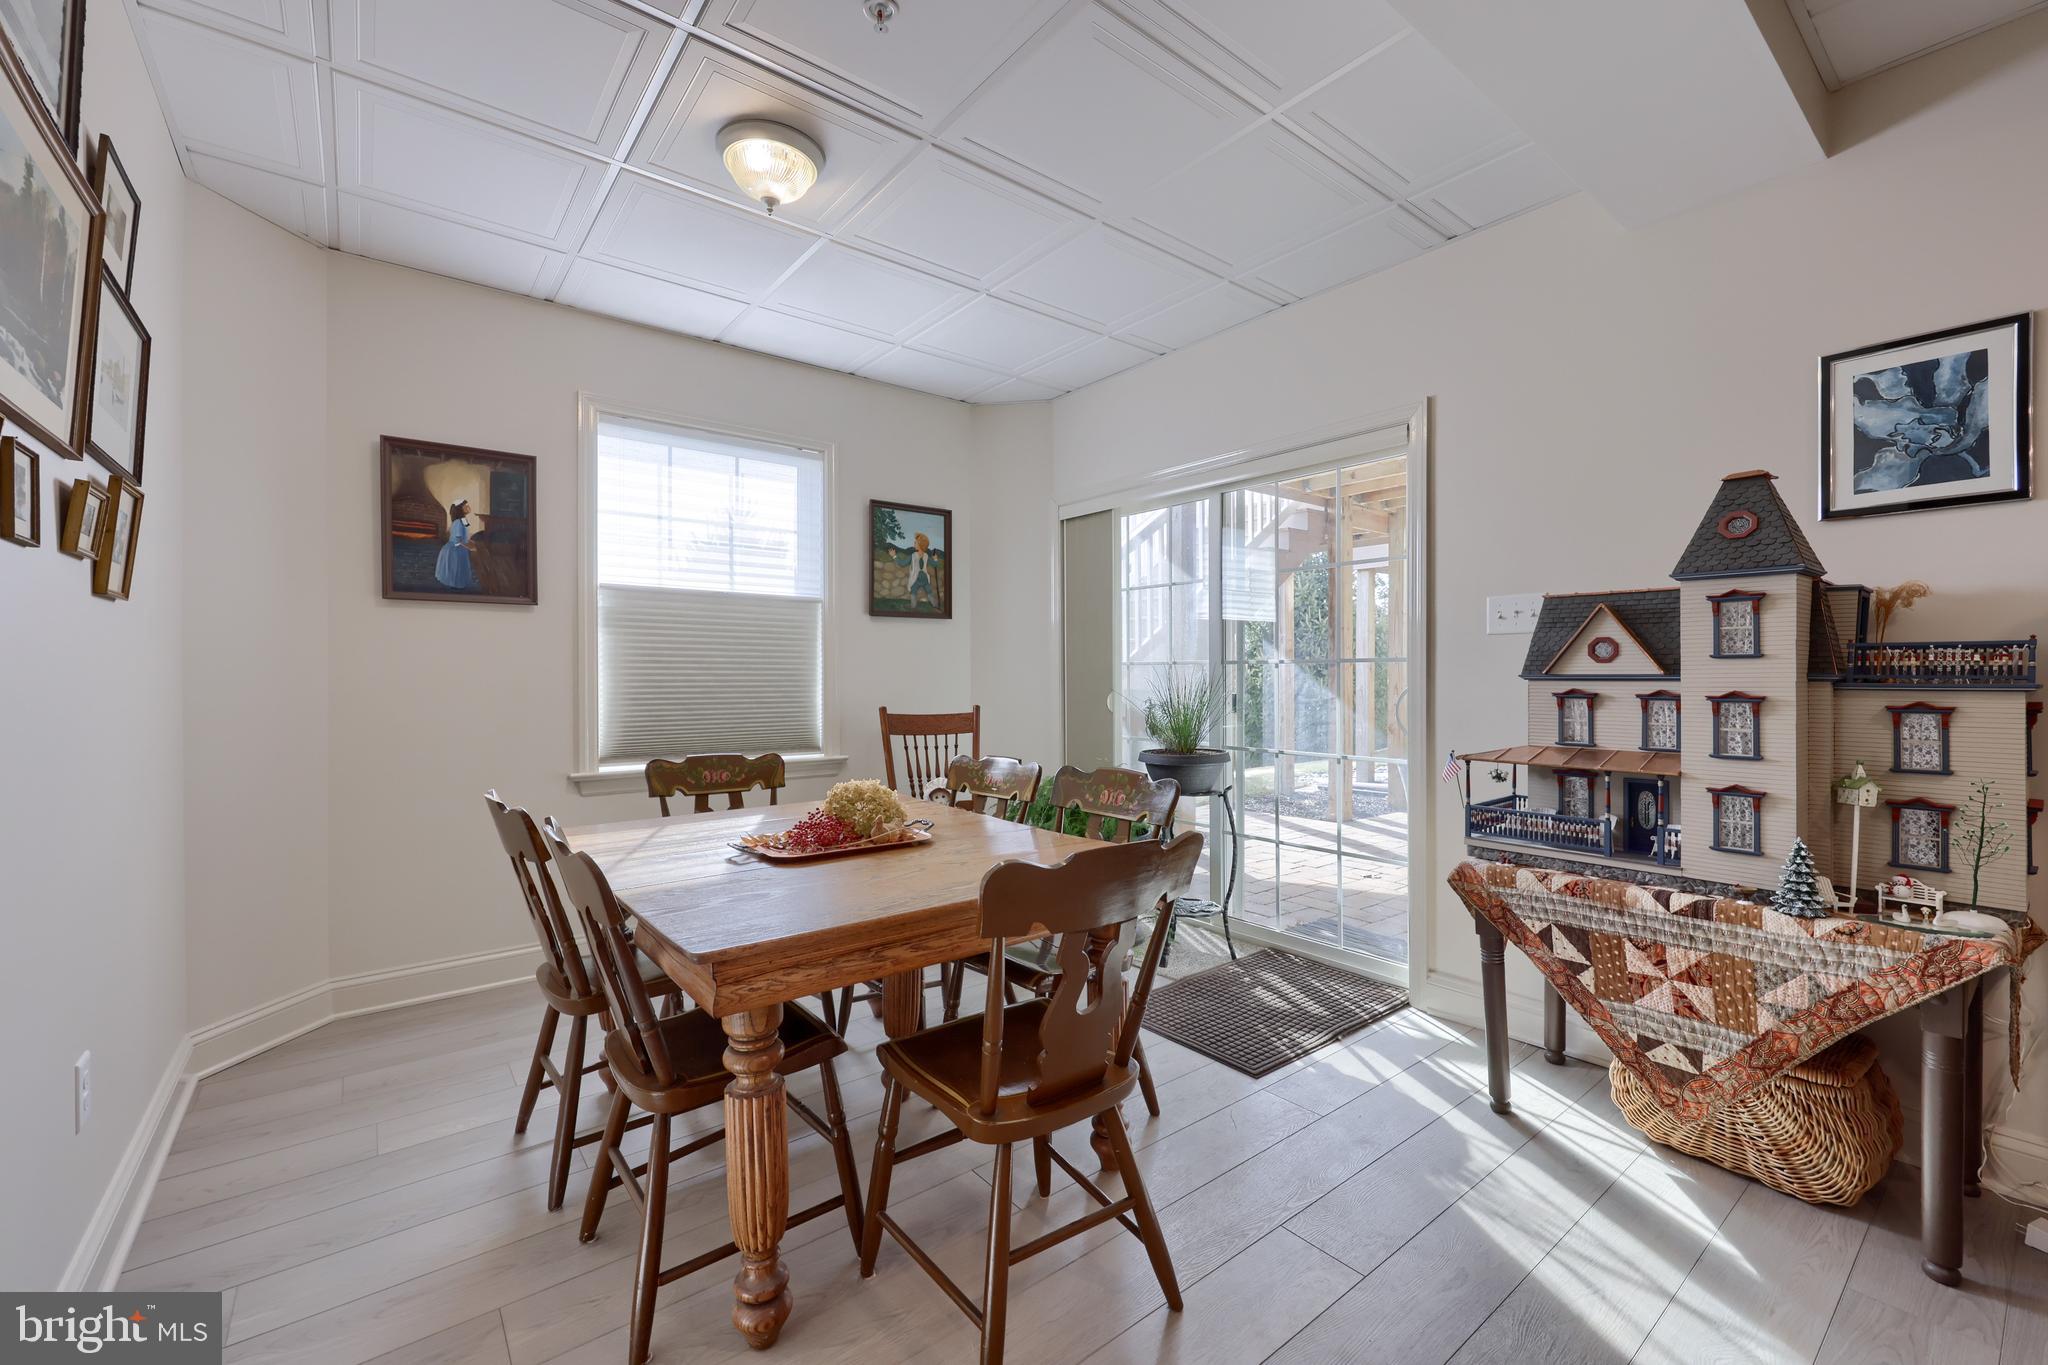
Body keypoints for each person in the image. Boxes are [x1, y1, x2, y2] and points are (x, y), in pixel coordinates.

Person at [435, 499, 478, 591]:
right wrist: (470, 548)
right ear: (459, 509)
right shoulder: (458, 522)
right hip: (455, 549)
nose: (468, 507)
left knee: (459, 571)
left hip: (461, 549)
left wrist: (474, 543)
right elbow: (458, 540)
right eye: (465, 506)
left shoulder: (464, 521)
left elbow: (467, 535)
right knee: (455, 570)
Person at [907, 530, 939, 611]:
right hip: (919, 578)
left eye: (916, 542)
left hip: (920, 578)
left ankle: (935, 605)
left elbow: (935, 565)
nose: (914, 543)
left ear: (921, 544)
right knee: (918, 590)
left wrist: (935, 560)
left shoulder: (924, 556)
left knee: (925, 591)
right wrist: (935, 560)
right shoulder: (915, 555)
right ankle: (915, 606)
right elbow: (903, 563)